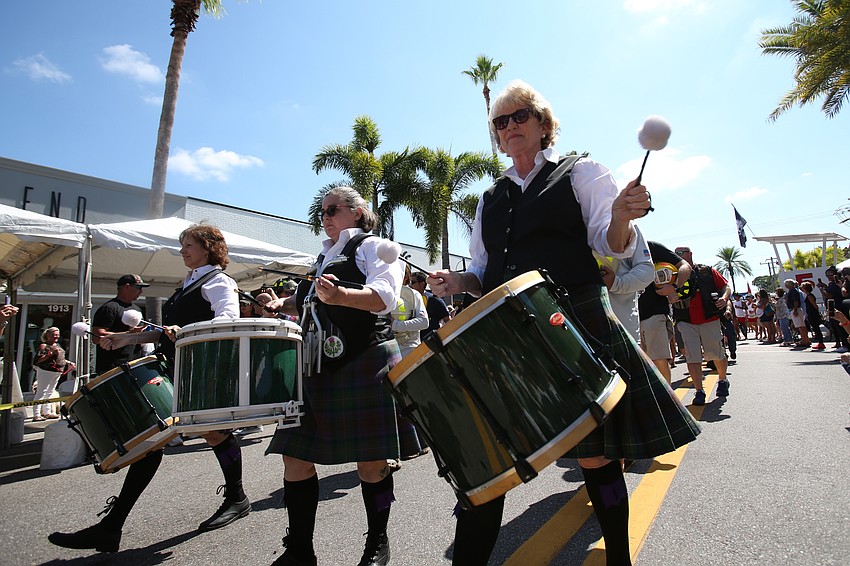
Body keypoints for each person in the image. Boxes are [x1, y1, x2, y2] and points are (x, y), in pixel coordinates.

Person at [425, 80, 700, 566]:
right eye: (500, 122)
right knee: (494, 464)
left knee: (595, 455)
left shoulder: (582, 172)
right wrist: (457, 282)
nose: (509, 127)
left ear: (542, 123)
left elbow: (613, 243)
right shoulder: (489, 199)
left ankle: (619, 557)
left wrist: (619, 216)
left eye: (519, 116)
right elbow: (483, 274)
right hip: (508, 337)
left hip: (573, 322)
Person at [48, 224, 250, 553]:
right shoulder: (189, 282)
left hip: (200, 369)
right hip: (175, 367)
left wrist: (186, 330)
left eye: (188, 245)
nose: (182, 250)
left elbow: (227, 320)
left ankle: (236, 498)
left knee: (213, 433)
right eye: (182, 244)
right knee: (150, 441)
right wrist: (125, 338)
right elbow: (165, 333)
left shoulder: (218, 280)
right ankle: (111, 527)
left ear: (208, 247)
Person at [264, 186, 420, 566]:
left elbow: (384, 296)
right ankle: (300, 549)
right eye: (322, 211)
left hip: (364, 358)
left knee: (371, 463)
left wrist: (343, 298)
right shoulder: (323, 257)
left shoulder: (372, 246)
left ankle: (377, 542)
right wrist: (279, 304)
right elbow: (309, 299)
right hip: (315, 366)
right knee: (294, 458)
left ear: (357, 211)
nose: (326, 216)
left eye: (333, 209)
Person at [672, 247, 731, 405]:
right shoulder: (673, 275)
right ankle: (699, 391)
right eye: (675, 253)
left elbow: (726, 286)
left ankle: (723, 380)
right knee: (692, 356)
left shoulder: (706, 271)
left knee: (716, 353)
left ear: (690, 254)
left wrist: (724, 299)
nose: (677, 256)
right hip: (685, 320)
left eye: (681, 253)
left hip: (709, 318)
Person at [638, 241, 692, 383]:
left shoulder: (649, 246)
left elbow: (685, 266)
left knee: (659, 360)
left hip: (654, 314)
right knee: (639, 366)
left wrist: (675, 286)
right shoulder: (608, 248)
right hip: (625, 316)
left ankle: (667, 402)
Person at [596, 225, 654, 340]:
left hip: (622, 329)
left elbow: (647, 270)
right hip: (576, 325)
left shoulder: (627, 225)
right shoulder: (564, 224)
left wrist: (616, 283)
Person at [91, 274, 149, 373]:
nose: (141, 291)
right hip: (113, 368)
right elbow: (97, 337)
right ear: (127, 287)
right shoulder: (109, 308)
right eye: (138, 287)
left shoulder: (137, 309)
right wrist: (128, 333)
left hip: (134, 364)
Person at [31, 326, 74, 421]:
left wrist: (68, 362)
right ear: (48, 335)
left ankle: (47, 412)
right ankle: (37, 414)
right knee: (41, 392)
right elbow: (39, 359)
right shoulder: (44, 346)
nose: (56, 337)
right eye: (54, 335)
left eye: (58, 335)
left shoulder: (57, 344)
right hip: (46, 371)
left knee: (50, 391)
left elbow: (59, 358)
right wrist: (50, 354)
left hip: (56, 371)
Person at [390, 264, 429, 358]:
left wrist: (394, 325)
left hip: (409, 350)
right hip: (388, 351)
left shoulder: (414, 295)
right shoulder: (383, 294)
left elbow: (424, 322)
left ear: (405, 277)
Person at [409, 272, 450, 336]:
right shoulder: (407, 300)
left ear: (422, 284)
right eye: (409, 282)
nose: (410, 285)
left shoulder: (434, 300)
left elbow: (448, 322)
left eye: (413, 282)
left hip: (430, 341)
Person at [800, 281, 826, 350]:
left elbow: (815, 306)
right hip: (811, 313)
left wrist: (816, 313)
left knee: (816, 328)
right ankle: (820, 343)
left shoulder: (809, 296)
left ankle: (821, 343)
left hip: (813, 314)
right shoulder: (808, 295)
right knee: (815, 328)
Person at [785, 279, 810, 348]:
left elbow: (795, 301)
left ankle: (805, 340)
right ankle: (805, 339)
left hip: (796, 309)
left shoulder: (792, 291)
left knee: (800, 326)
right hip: (797, 309)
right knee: (802, 325)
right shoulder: (793, 290)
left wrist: (795, 309)